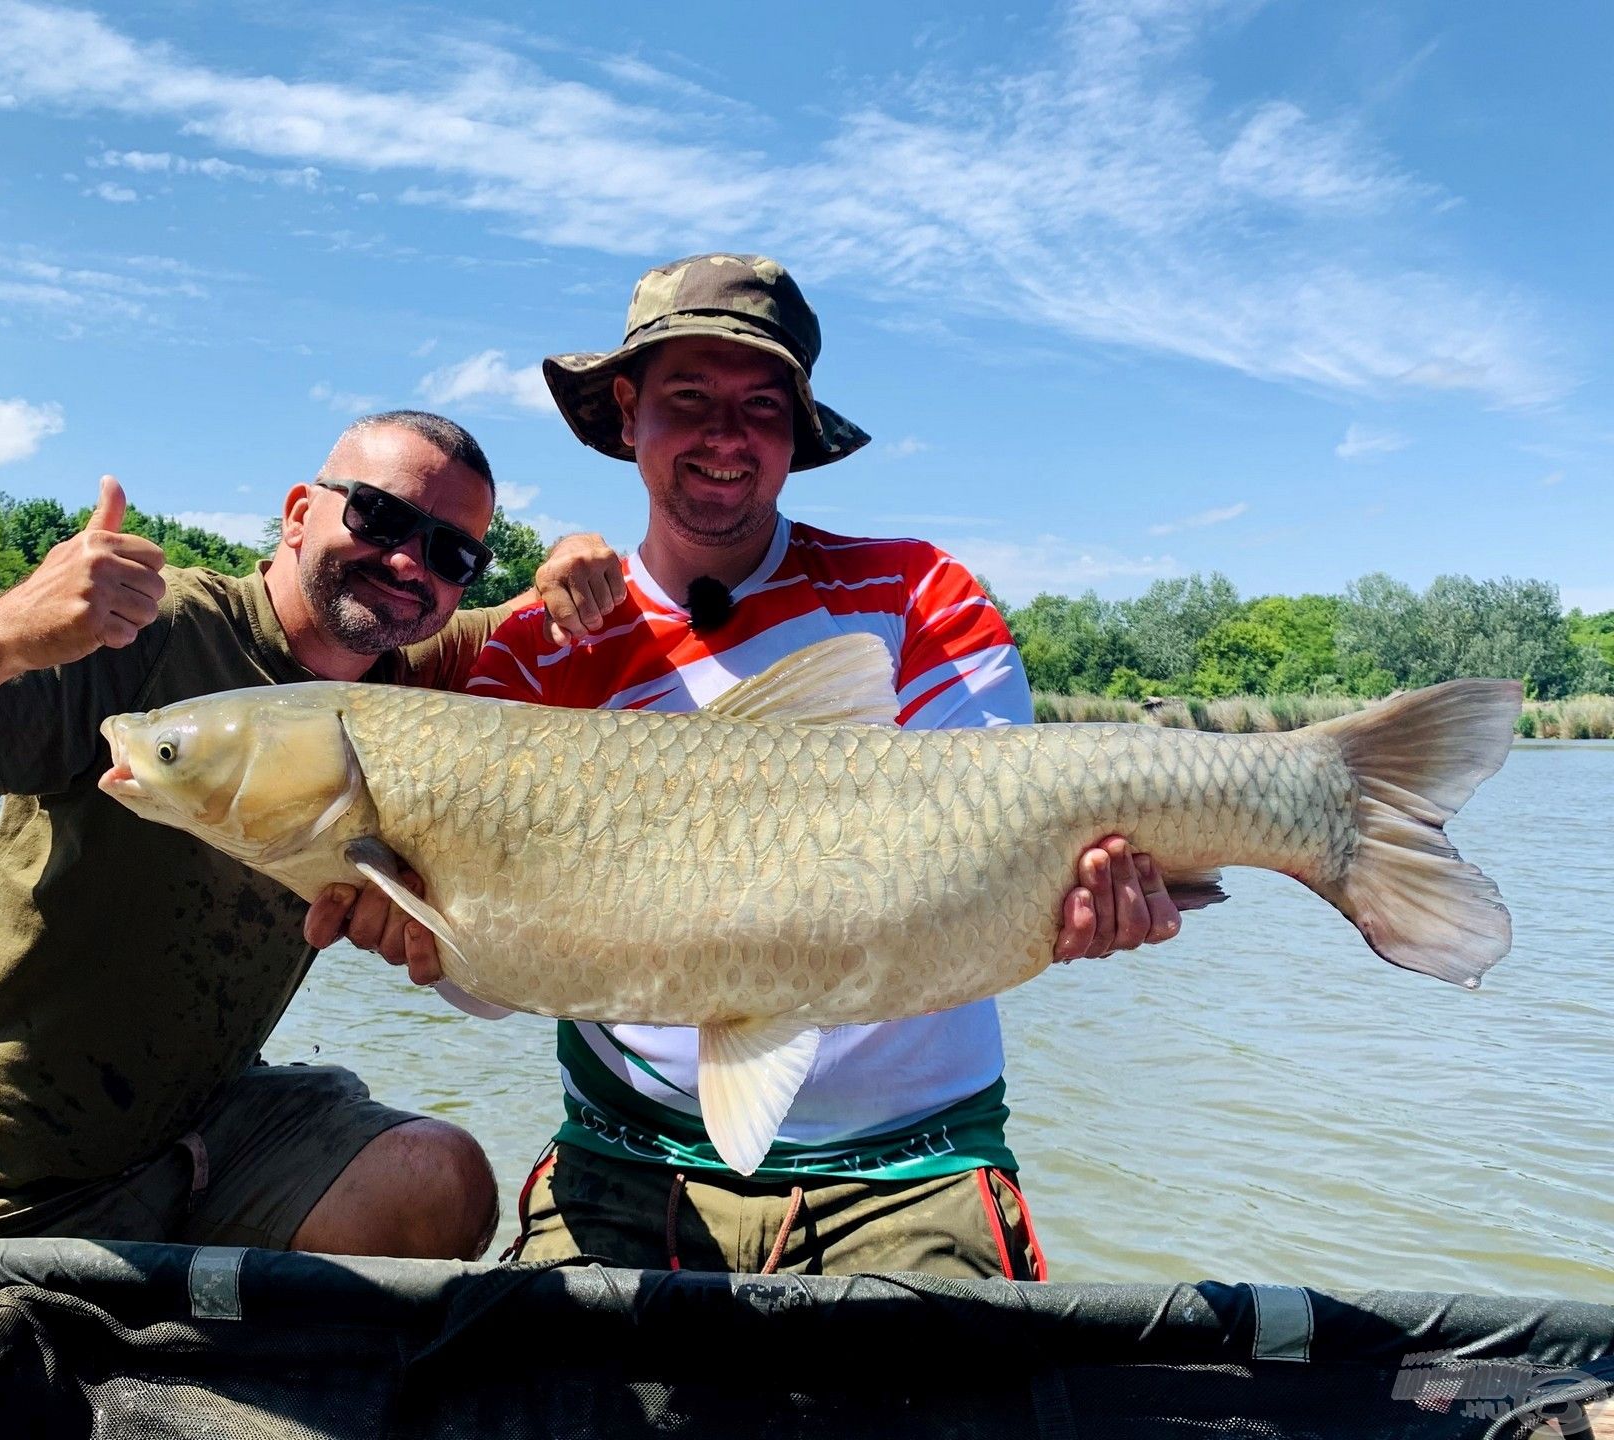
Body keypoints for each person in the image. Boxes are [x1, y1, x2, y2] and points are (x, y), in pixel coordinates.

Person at [314, 258, 1184, 1280]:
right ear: (628, 412)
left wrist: (1074, 899)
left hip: (913, 1165)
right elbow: (499, 985)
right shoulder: (537, 651)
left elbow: (991, 856)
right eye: (690, 398)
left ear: (796, 434)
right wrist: (424, 936)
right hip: (628, 1161)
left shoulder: (920, 597)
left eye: (762, 407)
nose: (727, 435)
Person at [0, 410, 572, 1378]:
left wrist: (575, 561)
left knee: (438, 1178)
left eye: (452, 551)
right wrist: (6, 633)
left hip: (190, 1137)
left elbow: (545, 608)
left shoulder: (406, 679)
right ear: (297, 512)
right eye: (378, 517)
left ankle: (217, 1372)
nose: (411, 562)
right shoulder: (145, 641)